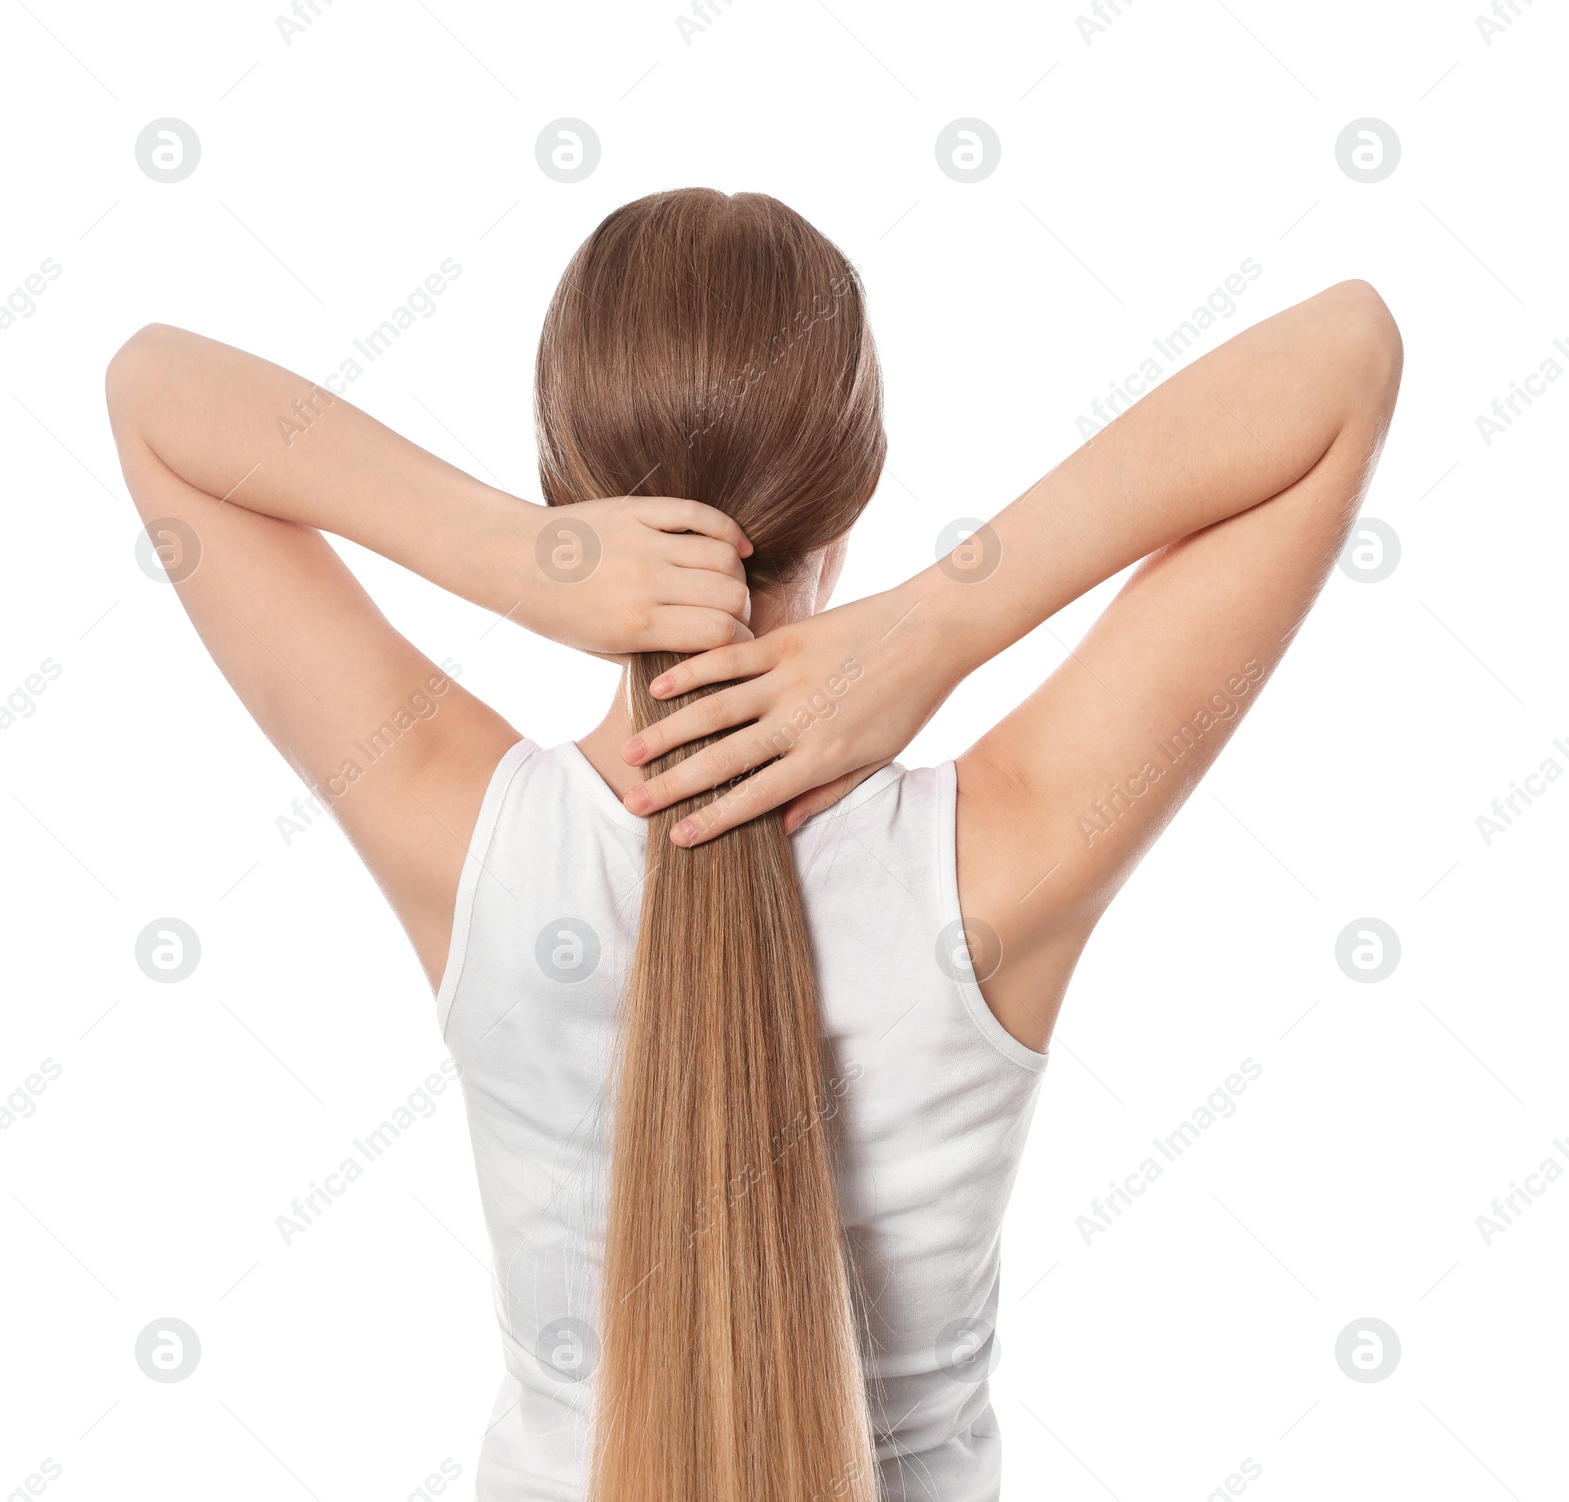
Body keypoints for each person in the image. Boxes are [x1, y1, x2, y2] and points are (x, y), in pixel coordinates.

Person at [104, 187, 1401, 1502]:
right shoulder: (999, 855)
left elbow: (155, 393)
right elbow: (1345, 356)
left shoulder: (469, 838)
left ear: (572, 486)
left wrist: (510, 552)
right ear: (853, 502)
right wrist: (946, 617)